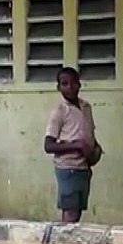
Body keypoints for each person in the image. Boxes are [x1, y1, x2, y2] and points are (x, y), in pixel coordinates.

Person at [43, 67, 102, 223]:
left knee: (77, 213)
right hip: (68, 168)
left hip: (84, 167)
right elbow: (48, 146)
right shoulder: (59, 111)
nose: (70, 87)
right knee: (70, 214)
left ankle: (67, 243)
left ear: (79, 85)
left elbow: (88, 133)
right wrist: (76, 146)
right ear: (58, 87)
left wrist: (95, 149)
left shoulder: (86, 107)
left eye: (73, 83)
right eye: (65, 84)